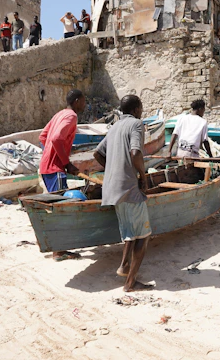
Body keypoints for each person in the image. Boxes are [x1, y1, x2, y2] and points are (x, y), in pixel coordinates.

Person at [93, 95, 154, 292]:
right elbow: (135, 153)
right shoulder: (137, 124)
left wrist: (113, 169)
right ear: (136, 109)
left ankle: (124, 265)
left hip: (112, 189)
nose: (142, 112)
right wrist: (143, 177)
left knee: (130, 232)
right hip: (129, 188)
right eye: (141, 108)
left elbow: (97, 153)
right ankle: (130, 283)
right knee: (143, 235)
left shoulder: (114, 127)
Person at [39, 90, 87, 261]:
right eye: (83, 101)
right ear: (76, 101)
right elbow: (57, 139)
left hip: (46, 166)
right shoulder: (71, 116)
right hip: (55, 168)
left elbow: (43, 136)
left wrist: (51, 154)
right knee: (61, 209)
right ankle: (59, 251)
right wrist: (65, 162)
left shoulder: (59, 114)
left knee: (55, 206)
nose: (84, 104)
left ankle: (57, 246)